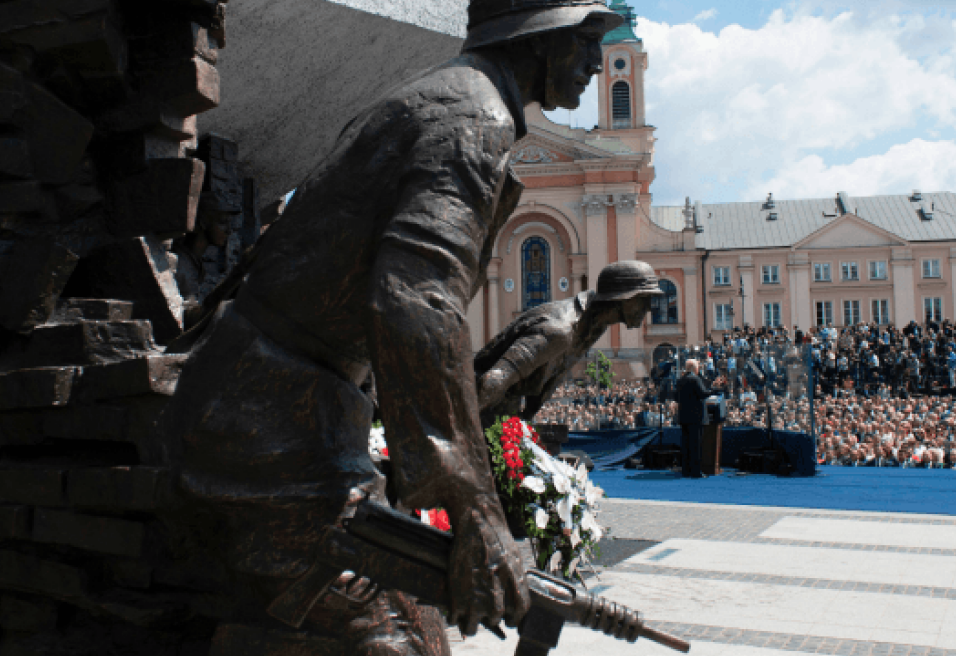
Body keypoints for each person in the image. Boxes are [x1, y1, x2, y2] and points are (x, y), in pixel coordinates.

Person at [148, 1, 626, 652]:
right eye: (584, 39)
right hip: (265, 415)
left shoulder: (457, 99)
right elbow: (417, 305)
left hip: (287, 405)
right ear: (538, 40)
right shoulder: (473, 117)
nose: (597, 61)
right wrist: (477, 514)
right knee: (399, 639)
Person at [475, 261, 662, 429]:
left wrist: (526, 419)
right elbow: (494, 379)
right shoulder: (561, 329)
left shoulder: (594, 325)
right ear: (623, 297)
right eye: (643, 299)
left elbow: (556, 371)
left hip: (505, 405)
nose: (649, 308)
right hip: (481, 401)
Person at [675, 359, 726, 478]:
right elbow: (703, 393)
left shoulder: (681, 380)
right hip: (696, 417)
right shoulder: (695, 379)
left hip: (684, 417)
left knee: (686, 444)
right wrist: (715, 389)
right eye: (698, 366)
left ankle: (686, 470)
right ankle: (696, 471)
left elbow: (676, 397)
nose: (699, 369)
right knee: (696, 445)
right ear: (694, 367)